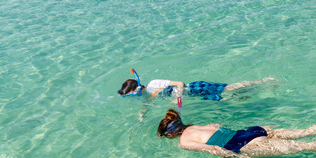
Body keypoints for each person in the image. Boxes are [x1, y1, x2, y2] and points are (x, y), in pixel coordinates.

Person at [156, 109, 316, 158]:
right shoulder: (201, 125)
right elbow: (220, 127)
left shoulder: (184, 142)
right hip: (254, 130)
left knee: (307, 147)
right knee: (306, 131)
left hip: (246, 144)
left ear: (170, 135)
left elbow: (216, 149)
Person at [118, 69, 276, 101]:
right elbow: (145, 108)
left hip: (195, 88)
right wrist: (140, 120)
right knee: (229, 99)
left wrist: (178, 98)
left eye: (131, 94)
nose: (131, 97)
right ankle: (259, 89)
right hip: (195, 96)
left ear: (138, 88)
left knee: (230, 88)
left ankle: (263, 81)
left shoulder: (154, 84)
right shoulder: (146, 96)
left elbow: (180, 83)